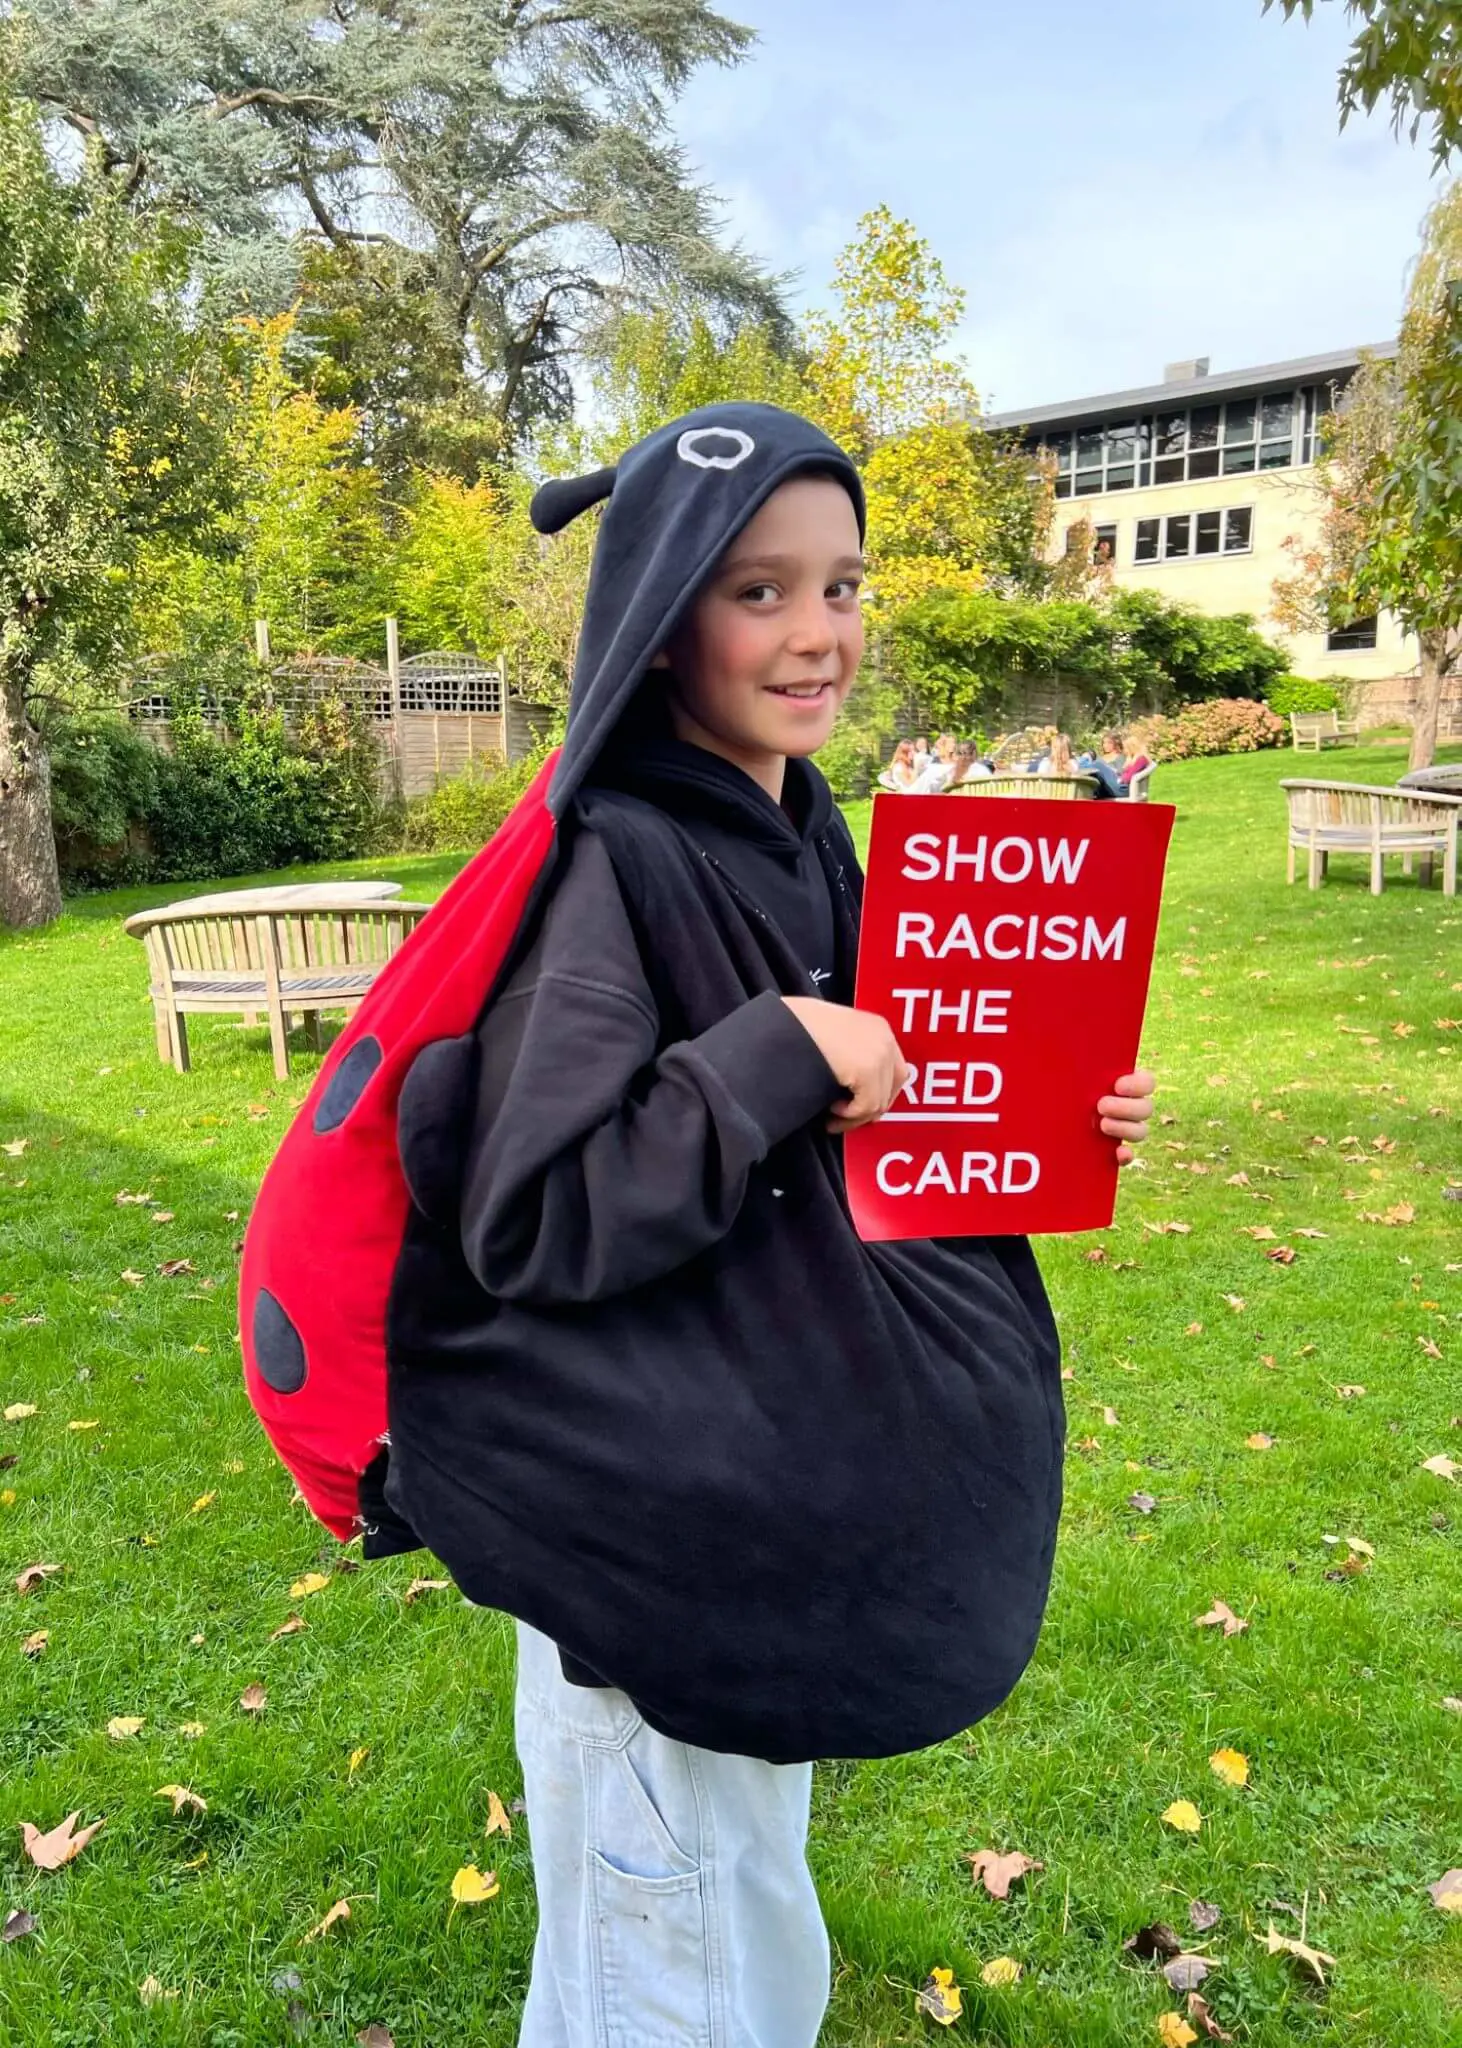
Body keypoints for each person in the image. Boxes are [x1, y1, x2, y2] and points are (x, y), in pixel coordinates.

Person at [382, 404, 1156, 2047]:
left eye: (844, 584)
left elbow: (876, 1117)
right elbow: (538, 1214)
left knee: (734, 1930)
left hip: (745, 1546)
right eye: (757, 592)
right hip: (643, 1566)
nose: (818, 633)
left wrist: (1046, 1109)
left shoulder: (804, 834)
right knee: (661, 1978)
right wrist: (771, 1053)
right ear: (663, 623)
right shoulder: (618, 864)